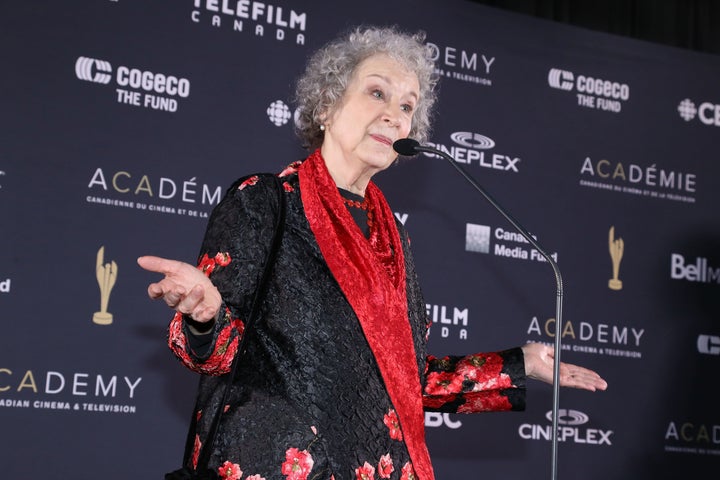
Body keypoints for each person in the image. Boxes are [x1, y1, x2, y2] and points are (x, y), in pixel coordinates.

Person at [138, 25, 607, 480]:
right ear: (327, 104)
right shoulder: (265, 201)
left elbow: (406, 378)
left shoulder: (391, 239)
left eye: (407, 106)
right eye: (377, 93)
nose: (395, 115)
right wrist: (206, 315)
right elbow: (215, 355)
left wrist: (522, 364)